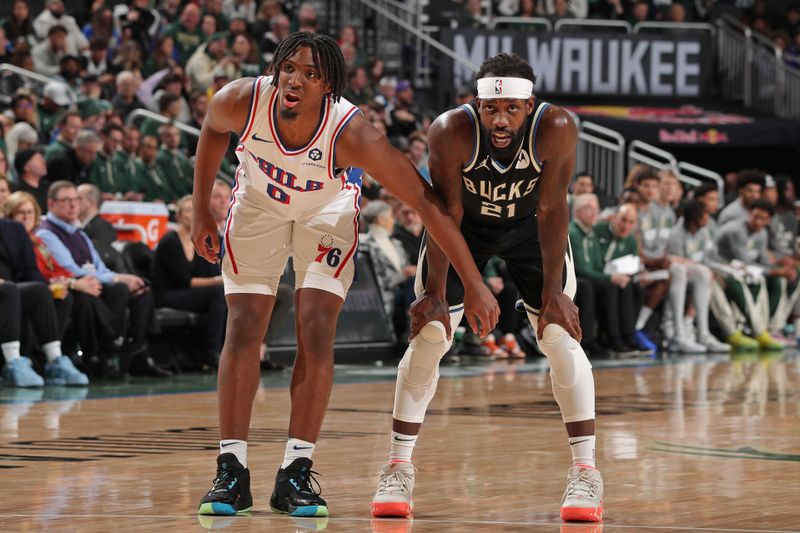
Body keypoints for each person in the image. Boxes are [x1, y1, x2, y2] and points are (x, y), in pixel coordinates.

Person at [192, 32, 498, 518]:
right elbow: (211, 128)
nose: (295, 80)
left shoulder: (353, 133)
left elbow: (425, 203)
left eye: (311, 74)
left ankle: (296, 469)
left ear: (329, 86)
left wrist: (474, 283)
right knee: (244, 325)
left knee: (316, 325)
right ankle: (232, 468)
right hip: (256, 206)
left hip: (326, 211)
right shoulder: (242, 100)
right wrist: (200, 212)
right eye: (289, 68)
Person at [371, 53, 603, 522]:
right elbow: (445, 214)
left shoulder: (556, 126)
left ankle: (586, 473)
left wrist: (555, 292)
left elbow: (554, 209)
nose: (500, 120)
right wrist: (439, 292)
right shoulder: (449, 130)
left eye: (511, 110)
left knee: (559, 336)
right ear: (474, 104)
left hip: (531, 230)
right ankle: (398, 466)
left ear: (529, 105)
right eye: (490, 109)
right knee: (431, 334)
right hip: (463, 233)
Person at [0, 216, 88, 387]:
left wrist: (52, 286)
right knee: (9, 289)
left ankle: (54, 360)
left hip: (9, 290)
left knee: (40, 291)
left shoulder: (13, 228)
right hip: (6, 290)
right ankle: (12, 364)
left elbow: (30, 270)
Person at [151, 195, 226, 368]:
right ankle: (212, 351)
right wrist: (218, 281)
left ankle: (225, 348)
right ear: (178, 216)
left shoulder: (199, 241)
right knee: (218, 294)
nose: (193, 214)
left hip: (186, 293)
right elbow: (185, 281)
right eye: (188, 210)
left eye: (196, 210)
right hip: (166, 294)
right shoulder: (170, 241)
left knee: (229, 295)